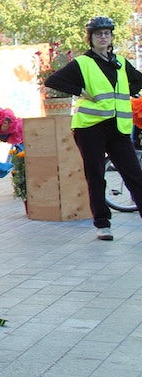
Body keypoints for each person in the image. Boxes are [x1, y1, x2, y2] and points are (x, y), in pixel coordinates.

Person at [44, 16, 142, 241]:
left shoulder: (119, 61)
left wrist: (131, 91)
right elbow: (53, 81)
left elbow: (138, 81)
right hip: (90, 128)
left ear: (111, 37)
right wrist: (80, 90)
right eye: (98, 34)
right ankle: (102, 224)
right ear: (91, 38)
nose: (103, 37)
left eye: (107, 33)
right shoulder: (83, 63)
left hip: (118, 127)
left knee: (134, 175)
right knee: (96, 175)